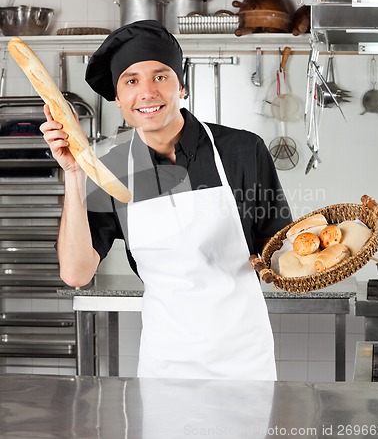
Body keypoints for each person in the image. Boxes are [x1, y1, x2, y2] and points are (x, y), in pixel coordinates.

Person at [40, 20, 292, 380]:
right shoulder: (109, 170)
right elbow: (76, 273)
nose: (147, 92)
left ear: (182, 85)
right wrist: (75, 174)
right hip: (167, 363)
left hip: (244, 361)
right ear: (117, 97)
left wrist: (309, 258)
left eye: (160, 76)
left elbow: (280, 249)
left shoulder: (242, 150)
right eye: (131, 80)